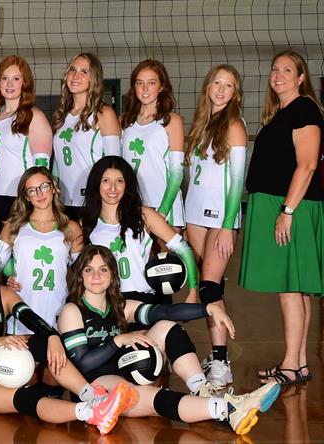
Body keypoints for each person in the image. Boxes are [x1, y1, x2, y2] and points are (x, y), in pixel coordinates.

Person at [57, 246, 280, 436]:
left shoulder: (119, 306)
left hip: (123, 370)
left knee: (166, 325)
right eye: (89, 270)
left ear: (113, 275)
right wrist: (118, 341)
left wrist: (208, 308)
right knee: (153, 397)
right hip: (95, 385)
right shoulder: (72, 310)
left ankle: (202, 389)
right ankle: (228, 409)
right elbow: (83, 364)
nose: (96, 275)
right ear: (80, 275)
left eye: (103, 269)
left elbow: (164, 311)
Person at [0, 229, 135, 435]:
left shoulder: (3, 293)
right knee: (26, 396)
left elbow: (34, 321)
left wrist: (52, 337)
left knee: (43, 342)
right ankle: (92, 412)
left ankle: (92, 395)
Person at [241, 50, 324, 385]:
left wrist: (287, 211)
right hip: (284, 205)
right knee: (297, 288)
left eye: (287, 70)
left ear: (301, 77)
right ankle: (298, 363)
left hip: (292, 206)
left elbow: (308, 165)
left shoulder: (304, 109)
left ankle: (290, 365)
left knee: (289, 287)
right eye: (275, 69)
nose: (278, 74)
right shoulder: (284, 112)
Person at [184, 64, 248, 387]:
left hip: (220, 217)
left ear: (236, 93)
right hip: (194, 215)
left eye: (229, 85)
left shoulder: (234, 126)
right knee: (210, 288)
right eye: (217, 83)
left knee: (209, 287)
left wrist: (227, 225)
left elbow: (237, 182)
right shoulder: (200, 124)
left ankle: (221, 363)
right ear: (207, 86)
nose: (221, 90)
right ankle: (216, 354)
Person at [81, 156, 199, 312]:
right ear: (96, 184)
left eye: (119, 181)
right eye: (106, 181)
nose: (113, 188)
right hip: (108, 303)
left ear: (127, 185)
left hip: (146, 300)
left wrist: (193, 291)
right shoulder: (86, 223)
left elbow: (184, 249)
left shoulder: (144, 215)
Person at [0, 167, 83, 334]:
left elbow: (83, 272)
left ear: (53, 187)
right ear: (26, 196)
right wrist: (5, 281)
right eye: (32, 190)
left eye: (44, 186)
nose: (39, 193)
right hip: (22, 312)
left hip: (58, 310)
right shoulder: (13, 226)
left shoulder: (71, 228)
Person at [0, 56, 52, 229]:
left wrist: (37, 202)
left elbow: (42, 169)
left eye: (16, 78)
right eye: (4, 78)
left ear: (25, 83)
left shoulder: (34, 116)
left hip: (22, 200)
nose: (9, 84)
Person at [52, 52, 121, 220]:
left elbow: (114, 163)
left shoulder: (104, 114)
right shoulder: (61, 116)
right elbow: (57, 163)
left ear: (93, 78)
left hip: (91, 202)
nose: (76, 76)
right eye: (72, 70)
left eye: (84, 71)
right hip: (63, 202)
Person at [120, 59, 185, 227]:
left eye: (151, 83)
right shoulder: (124, 121)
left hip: (164, 207)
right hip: (133, 206)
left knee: (167, 246)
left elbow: (177, 174)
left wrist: (161, 212)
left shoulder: (172, 121)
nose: (145, 88)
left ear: (162, 86)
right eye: (139, 83)